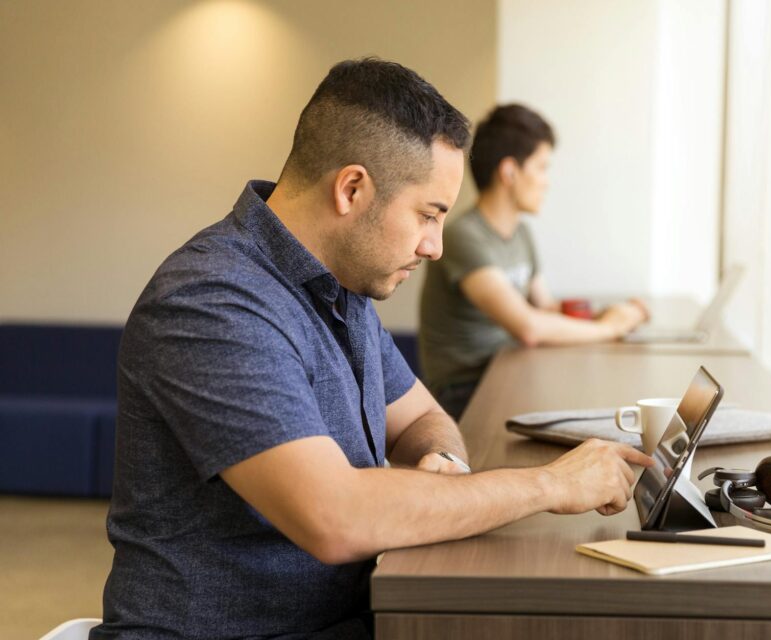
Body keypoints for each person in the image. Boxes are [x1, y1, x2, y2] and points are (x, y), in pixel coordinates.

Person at [91, 59, 651, 640]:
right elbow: (334, 516)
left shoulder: (342, 289)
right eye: (428, 215)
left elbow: (424, 418)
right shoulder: (211, 303)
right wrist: (552, 485)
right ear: (352, 188)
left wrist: (447, 469)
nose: (435, 246)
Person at [418, 104, 649, 419]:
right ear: (510, 172)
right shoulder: (463, 236)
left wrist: (605, 315)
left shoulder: (521, 234)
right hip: (467, 392)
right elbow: (528, 326)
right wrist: (609, 329)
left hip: (509, 370)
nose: (547, 181)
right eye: (541, 167)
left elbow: (545, 309)